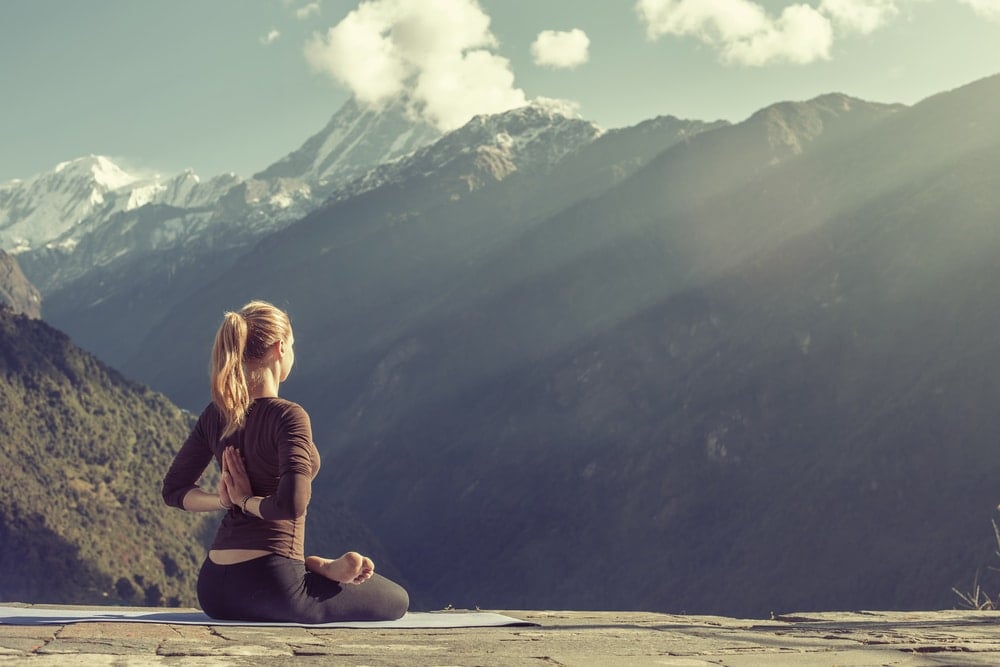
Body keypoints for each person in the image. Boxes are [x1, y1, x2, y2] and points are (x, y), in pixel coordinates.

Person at [162, 300, 409, 623]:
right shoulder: (288, 416)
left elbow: (174, 490)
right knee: (397, 600)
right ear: (280, 349)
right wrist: (244, 500)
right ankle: (316, 568)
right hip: (271, 584)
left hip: (213, 588)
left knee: (314, 581)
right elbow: (291, 505)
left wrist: (222, 500)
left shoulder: (215, 414)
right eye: (292, 346)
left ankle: (316, 566)